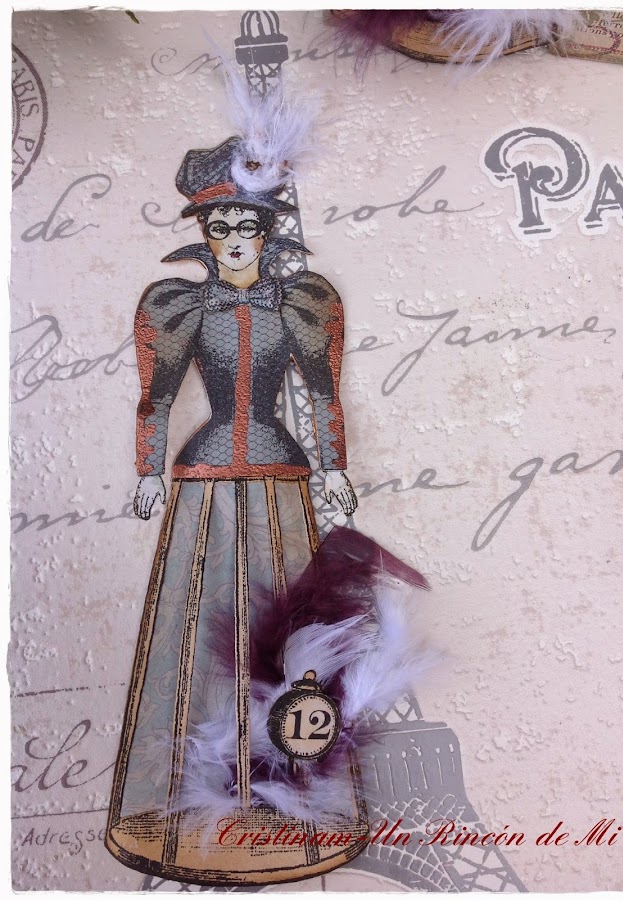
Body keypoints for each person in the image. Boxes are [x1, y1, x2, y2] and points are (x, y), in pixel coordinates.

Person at [105, 135, 369, 884]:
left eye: (245, 227)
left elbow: (322, 393)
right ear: (204, 235)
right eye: (217, 228)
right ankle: (195, 791)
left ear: (266, 231)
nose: (232, 241)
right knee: (198, 616)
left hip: (283, 474)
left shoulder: (301, 305)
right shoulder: (181, 306)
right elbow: (155, 398)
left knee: (290, 621)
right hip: (205, 474)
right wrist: (149, 471)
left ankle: (291, 785)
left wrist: (334, 466)